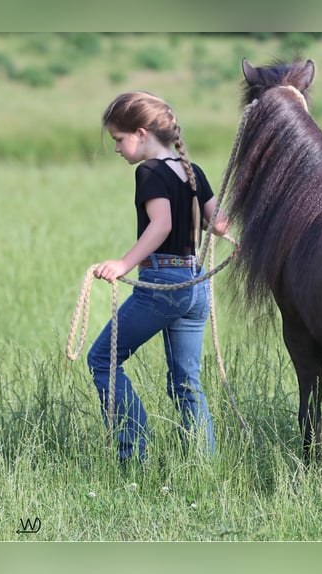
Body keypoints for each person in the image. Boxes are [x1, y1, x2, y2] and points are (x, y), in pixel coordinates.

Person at [87, 91, 230, 463]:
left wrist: (123, 264)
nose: (118, 148)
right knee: (186, 384)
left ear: (140, 132)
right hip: (195, 287)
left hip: (164, 285)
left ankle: (133, 454)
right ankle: (203, 465)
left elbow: (161, 224)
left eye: (119, 140)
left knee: (102, 359)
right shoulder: (192, 170)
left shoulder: (149, 171)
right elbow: (221, 223)